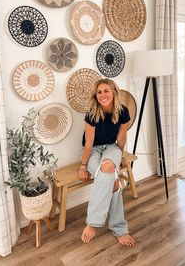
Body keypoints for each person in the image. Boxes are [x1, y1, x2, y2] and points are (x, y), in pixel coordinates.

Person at [78, 78, 135, 247]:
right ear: (96, 96)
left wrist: (120, 156)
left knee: (108, 167)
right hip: (94, 150)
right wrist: (82, 166)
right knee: (114, 183)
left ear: (114, 92)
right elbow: (88, 144)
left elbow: (121, 138)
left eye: (106, 91)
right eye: (99, 92)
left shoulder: (123, 111)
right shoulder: (91, 113)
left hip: (112, 148)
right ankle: (119, 229)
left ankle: (92, 223)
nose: (103, 95)